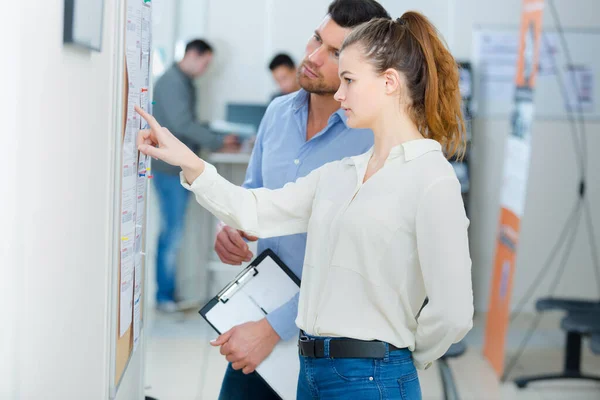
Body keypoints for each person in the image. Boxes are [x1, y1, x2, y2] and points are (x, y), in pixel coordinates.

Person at [136, 10, 474, 399]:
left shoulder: (430, 178)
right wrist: (189, 162)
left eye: (348, 80)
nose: (340, 94)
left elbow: (452, 312)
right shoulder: (343, 172)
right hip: (312, 369)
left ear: (389, 83)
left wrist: (395, 357)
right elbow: (255, 210)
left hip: (373, 376)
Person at [212, 1, 390, 398]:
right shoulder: (277, 113)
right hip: (262, 317)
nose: (311, 57)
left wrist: (273, 328)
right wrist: (232, 227)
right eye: (315, 38)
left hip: (332, 343)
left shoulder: (374, 140)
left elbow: (352, 264)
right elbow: (254, 193)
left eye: (335, 52)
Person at [151, 39, 238, 312]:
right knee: (173, 233)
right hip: (168, 170)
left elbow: (187, 121)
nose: (204, 68)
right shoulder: (171, 82)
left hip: (176, 168)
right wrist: (215, 141)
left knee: (175, 231)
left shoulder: (183, 82)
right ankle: (164, 297)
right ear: (191, 54)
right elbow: (181, 124)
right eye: (204, 62)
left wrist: (215, 135)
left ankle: (169, 295)